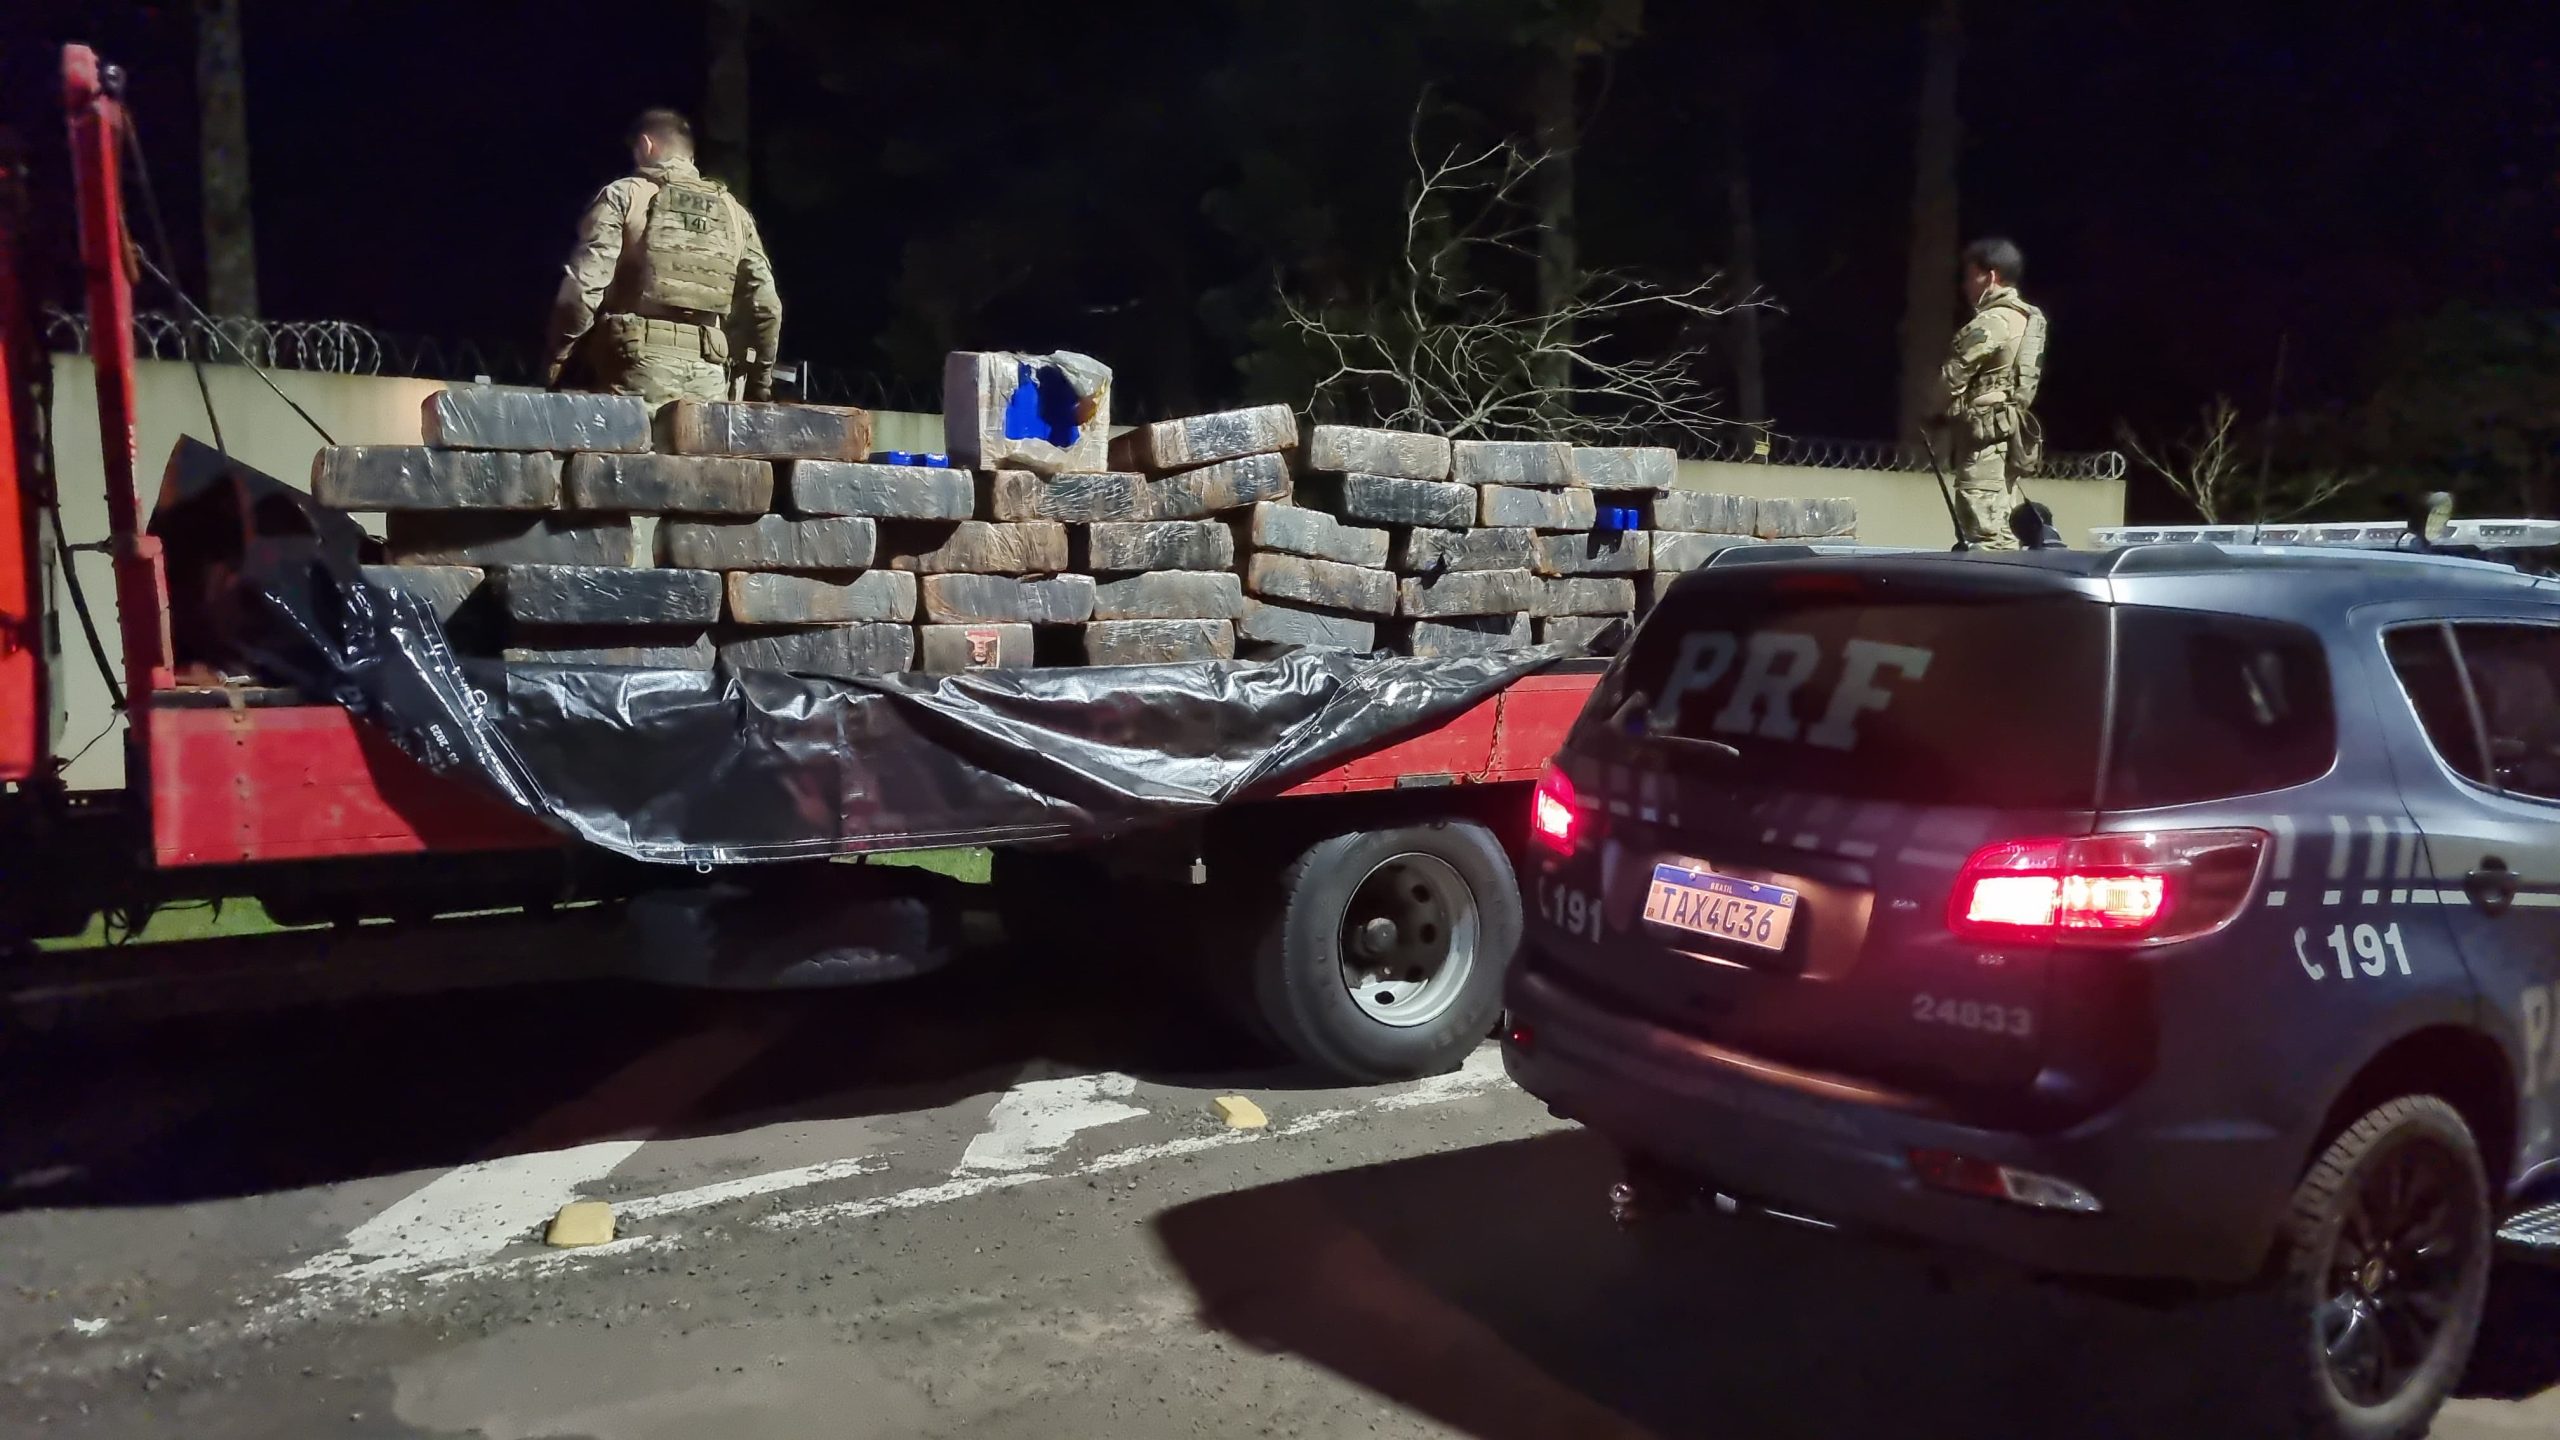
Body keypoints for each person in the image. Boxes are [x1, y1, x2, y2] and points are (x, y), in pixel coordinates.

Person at [543, 108, 782, 406]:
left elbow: (582, 291)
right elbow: (766, 307)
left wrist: (559, 356)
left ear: (646, 146)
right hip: (709, 378)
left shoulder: (624, 196)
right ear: (690, 156)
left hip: (633, 372)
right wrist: (759, 384)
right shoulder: (734, 213)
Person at [1937, 236, 2048, 551]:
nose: (1965, 285)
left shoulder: (1993, 321)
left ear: (1991, 276)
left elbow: (1952, 376)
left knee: (1983, 534)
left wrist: (1934, 411)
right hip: (2010, 439)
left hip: (1984, 442)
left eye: (1971, 276)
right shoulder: (2029, 318)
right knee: (2006, 529)